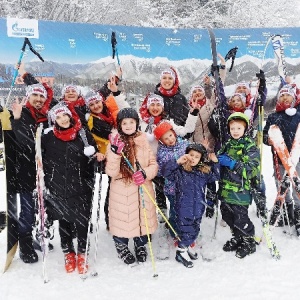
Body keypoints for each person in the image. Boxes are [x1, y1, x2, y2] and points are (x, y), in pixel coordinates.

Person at [42, 102, 104, 273]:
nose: (62, 119)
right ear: (54, 120)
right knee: (64, 221)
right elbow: (39, 156)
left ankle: (82, 253)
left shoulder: (82, 134)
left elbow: (92, 155)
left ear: (70, 116)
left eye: (65, 115)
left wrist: (98, 157)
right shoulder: (48, 136)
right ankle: (68, 252)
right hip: (57, 185)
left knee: (82, 221)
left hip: (81, 185)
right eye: (58, 117)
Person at [10, 73, 56, 263]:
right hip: (27, 171)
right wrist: (18, 117)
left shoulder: (48, 116)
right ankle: (25, 244)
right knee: (28, 210)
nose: (38, 99)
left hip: (45, 171)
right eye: (34, 96)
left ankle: (40, 235)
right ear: (28, 97)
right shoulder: (22, 113)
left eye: (41, 96)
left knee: (42, 208)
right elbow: (21, 140)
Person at [105, 107, 158, 265]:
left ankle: (140, 244)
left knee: (143, 218)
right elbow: (111, 171)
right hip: (122, 189)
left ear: (137, 123)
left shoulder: (143, 142)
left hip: (142, 186)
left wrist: (145, 173)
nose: (128, 125)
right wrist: (114, 153)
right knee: (123, 219)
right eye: (124, 123)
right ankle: (121, 246)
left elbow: (153, 164)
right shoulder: (114, 143)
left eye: (132, 122)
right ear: (119, 125)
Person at [139, 93, 198, 220]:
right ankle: (159, 212)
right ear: (148, 107)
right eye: (152, 105)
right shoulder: (142, 122)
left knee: (166, 188)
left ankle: (172, 214)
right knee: (153, 191)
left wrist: (193, 114)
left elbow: (185, 131)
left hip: (167, 162)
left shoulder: (167, 122)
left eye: (158, 105)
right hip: (148, 163)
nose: (155, 107)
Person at [160, 143, 219, 268]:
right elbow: (165, 172)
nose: (193, 158)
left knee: (195, 229)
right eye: (191, 155)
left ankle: (186, 248)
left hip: (198, 207)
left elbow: (216, 175)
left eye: (197, 156)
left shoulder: (203, 172)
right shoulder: (180, 172)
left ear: (201, 159)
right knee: (186, 230)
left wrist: (215, 162)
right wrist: (177, 162)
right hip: (183, 208)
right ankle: (181, 251)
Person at [218, 112, 260, 258]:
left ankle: (249, 241)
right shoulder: (228, 144)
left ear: (245, 129)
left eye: (238, 128)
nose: (235, 131)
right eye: (232, 128)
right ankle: (238, 237)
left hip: (241, 191)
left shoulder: (249, 146)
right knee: (227, 215)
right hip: (225, 191)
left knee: (240, 218)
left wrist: (233, 164)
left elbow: (252, 169)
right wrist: (214, 158)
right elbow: (218, 158)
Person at [263, 84, 300, 235]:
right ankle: (286, 209)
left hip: (298, 157)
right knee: (281, 184)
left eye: (288, 95)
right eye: (282, 95)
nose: (285, 98)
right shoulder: (273, 116)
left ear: (294, 98)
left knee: (297, 183)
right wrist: (268, 139)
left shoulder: (298, 113)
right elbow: (265, 135)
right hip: (279, 157)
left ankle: (298, 213)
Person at [153, 121, 190, 237]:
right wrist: (175, 163)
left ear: (174, 133)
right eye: (165, 138)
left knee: (187, 209)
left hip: (187, 185)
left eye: (170, 135)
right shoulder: (162, 153)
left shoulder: (185, 145)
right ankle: (175, 232)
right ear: (161, 141)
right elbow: (161, 171)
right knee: (175, 210)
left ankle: (188, 230)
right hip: (172, 188)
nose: (170, 139)